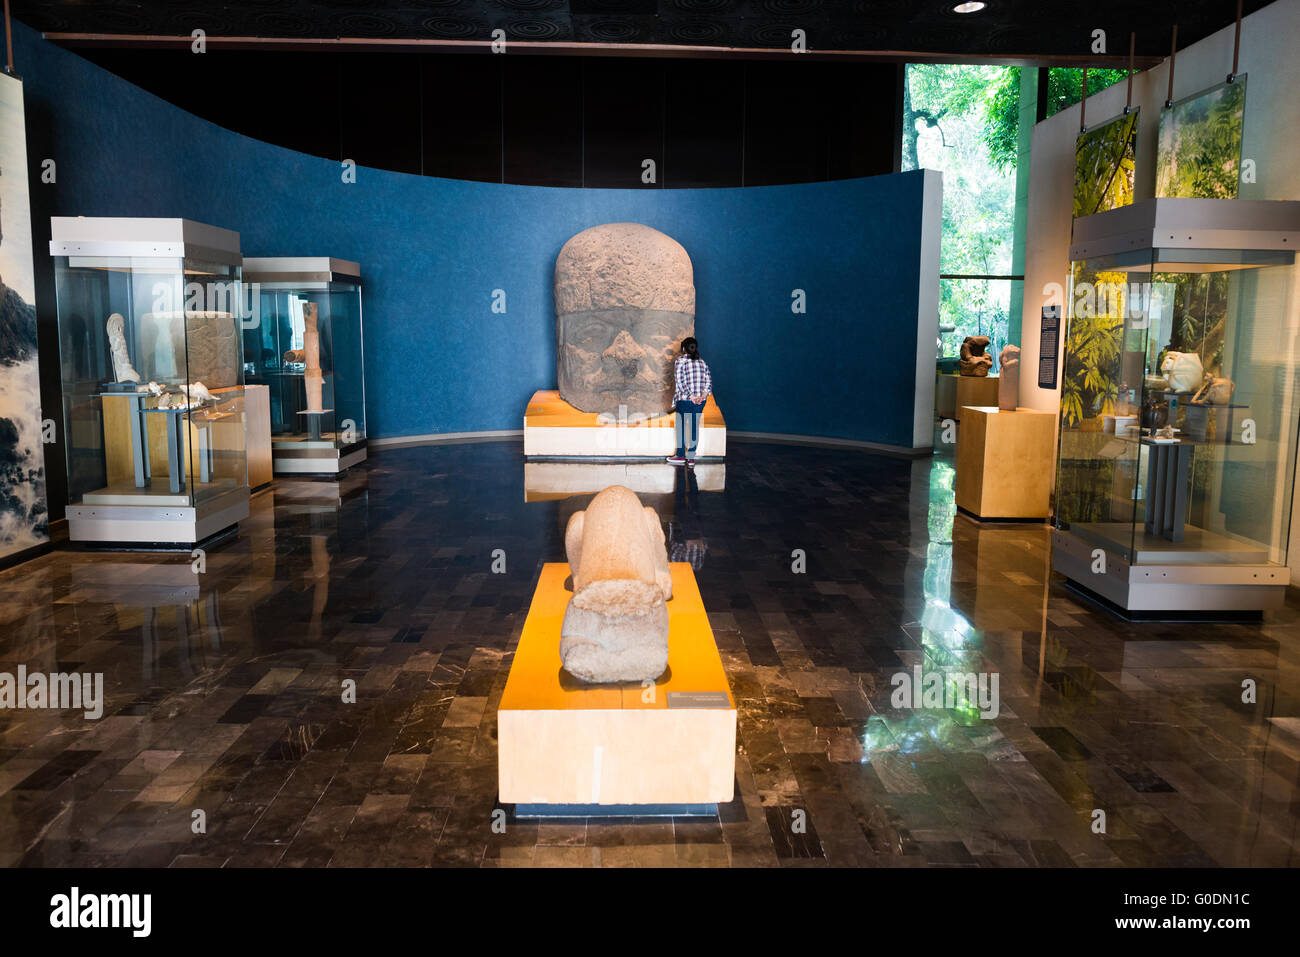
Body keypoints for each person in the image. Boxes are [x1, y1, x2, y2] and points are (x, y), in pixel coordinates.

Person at [666, 337, 711, 468]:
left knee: (680, 426)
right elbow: (709, 382)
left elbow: (680, 381)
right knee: (693, 427)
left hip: (685, 400)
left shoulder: (680, 361)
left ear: (683, 349)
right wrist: (701, 396)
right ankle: (691, 458)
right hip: (700, 402)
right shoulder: (702, 362)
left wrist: (691, 396)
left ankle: (680, 455)